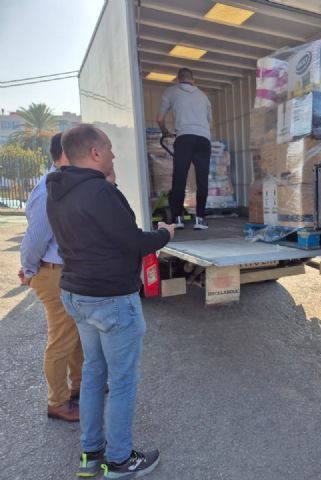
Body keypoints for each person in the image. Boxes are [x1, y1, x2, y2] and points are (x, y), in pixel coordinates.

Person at [46, 124, 175, 478]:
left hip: (77, 294)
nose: (114, 154)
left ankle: (91, 454)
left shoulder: (55, 191)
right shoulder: (99, 193)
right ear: (95, 153)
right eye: (110, 148)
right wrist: (165, 234)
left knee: (93, 373)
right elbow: (133, 241)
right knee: (121, 381)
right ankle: (119, 461)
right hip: (111, 299)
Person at [19, 133, 82, 422]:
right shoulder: (49, 189)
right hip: (53, 272)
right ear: (66, 153)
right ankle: (57, 401)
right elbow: (34, 238)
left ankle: (79, 387)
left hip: (63, 271)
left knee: (75, 334)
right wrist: (30, 270)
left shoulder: (65, 183)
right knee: (61, 339)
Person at [156, 67, 212, 230]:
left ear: (178, 79)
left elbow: (159, 118)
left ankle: (177, 219)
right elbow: (209, 124)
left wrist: (165, 132)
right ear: (193, 80)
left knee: (179, 178)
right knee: (202, 179)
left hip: (184, 138)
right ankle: (200, 219)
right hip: (203, 139)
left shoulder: (171, 91)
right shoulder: (203, 96)